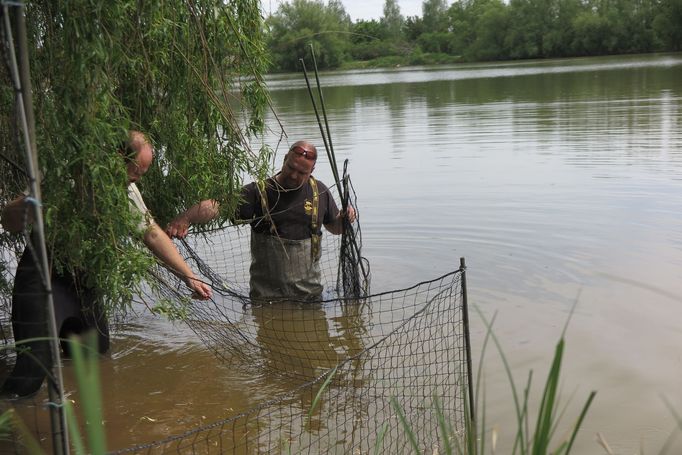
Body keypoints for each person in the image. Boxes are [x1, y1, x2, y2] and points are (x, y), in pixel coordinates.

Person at [0, 130, 212, 397]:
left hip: (84, 281)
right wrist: (34, 203)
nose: (136, 179)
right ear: (117, 157)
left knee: (96, 354)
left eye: (141, 174)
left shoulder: (125, 190)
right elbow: (8, 222)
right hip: (41, 276)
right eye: (135, 172)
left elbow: (152, 233)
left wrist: (188, 276)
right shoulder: (63, 174)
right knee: (32, 370)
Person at [165, 140, 355, 300]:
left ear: (312, 170)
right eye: (291, 167)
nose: (293, 175)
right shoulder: (258, 192)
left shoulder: (319, 192)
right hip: (266, 299)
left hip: (310, 299)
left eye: (301, 173)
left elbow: (336, 227)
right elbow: (217, 206)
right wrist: (185, 217)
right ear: (284, 160)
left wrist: (345, 219)